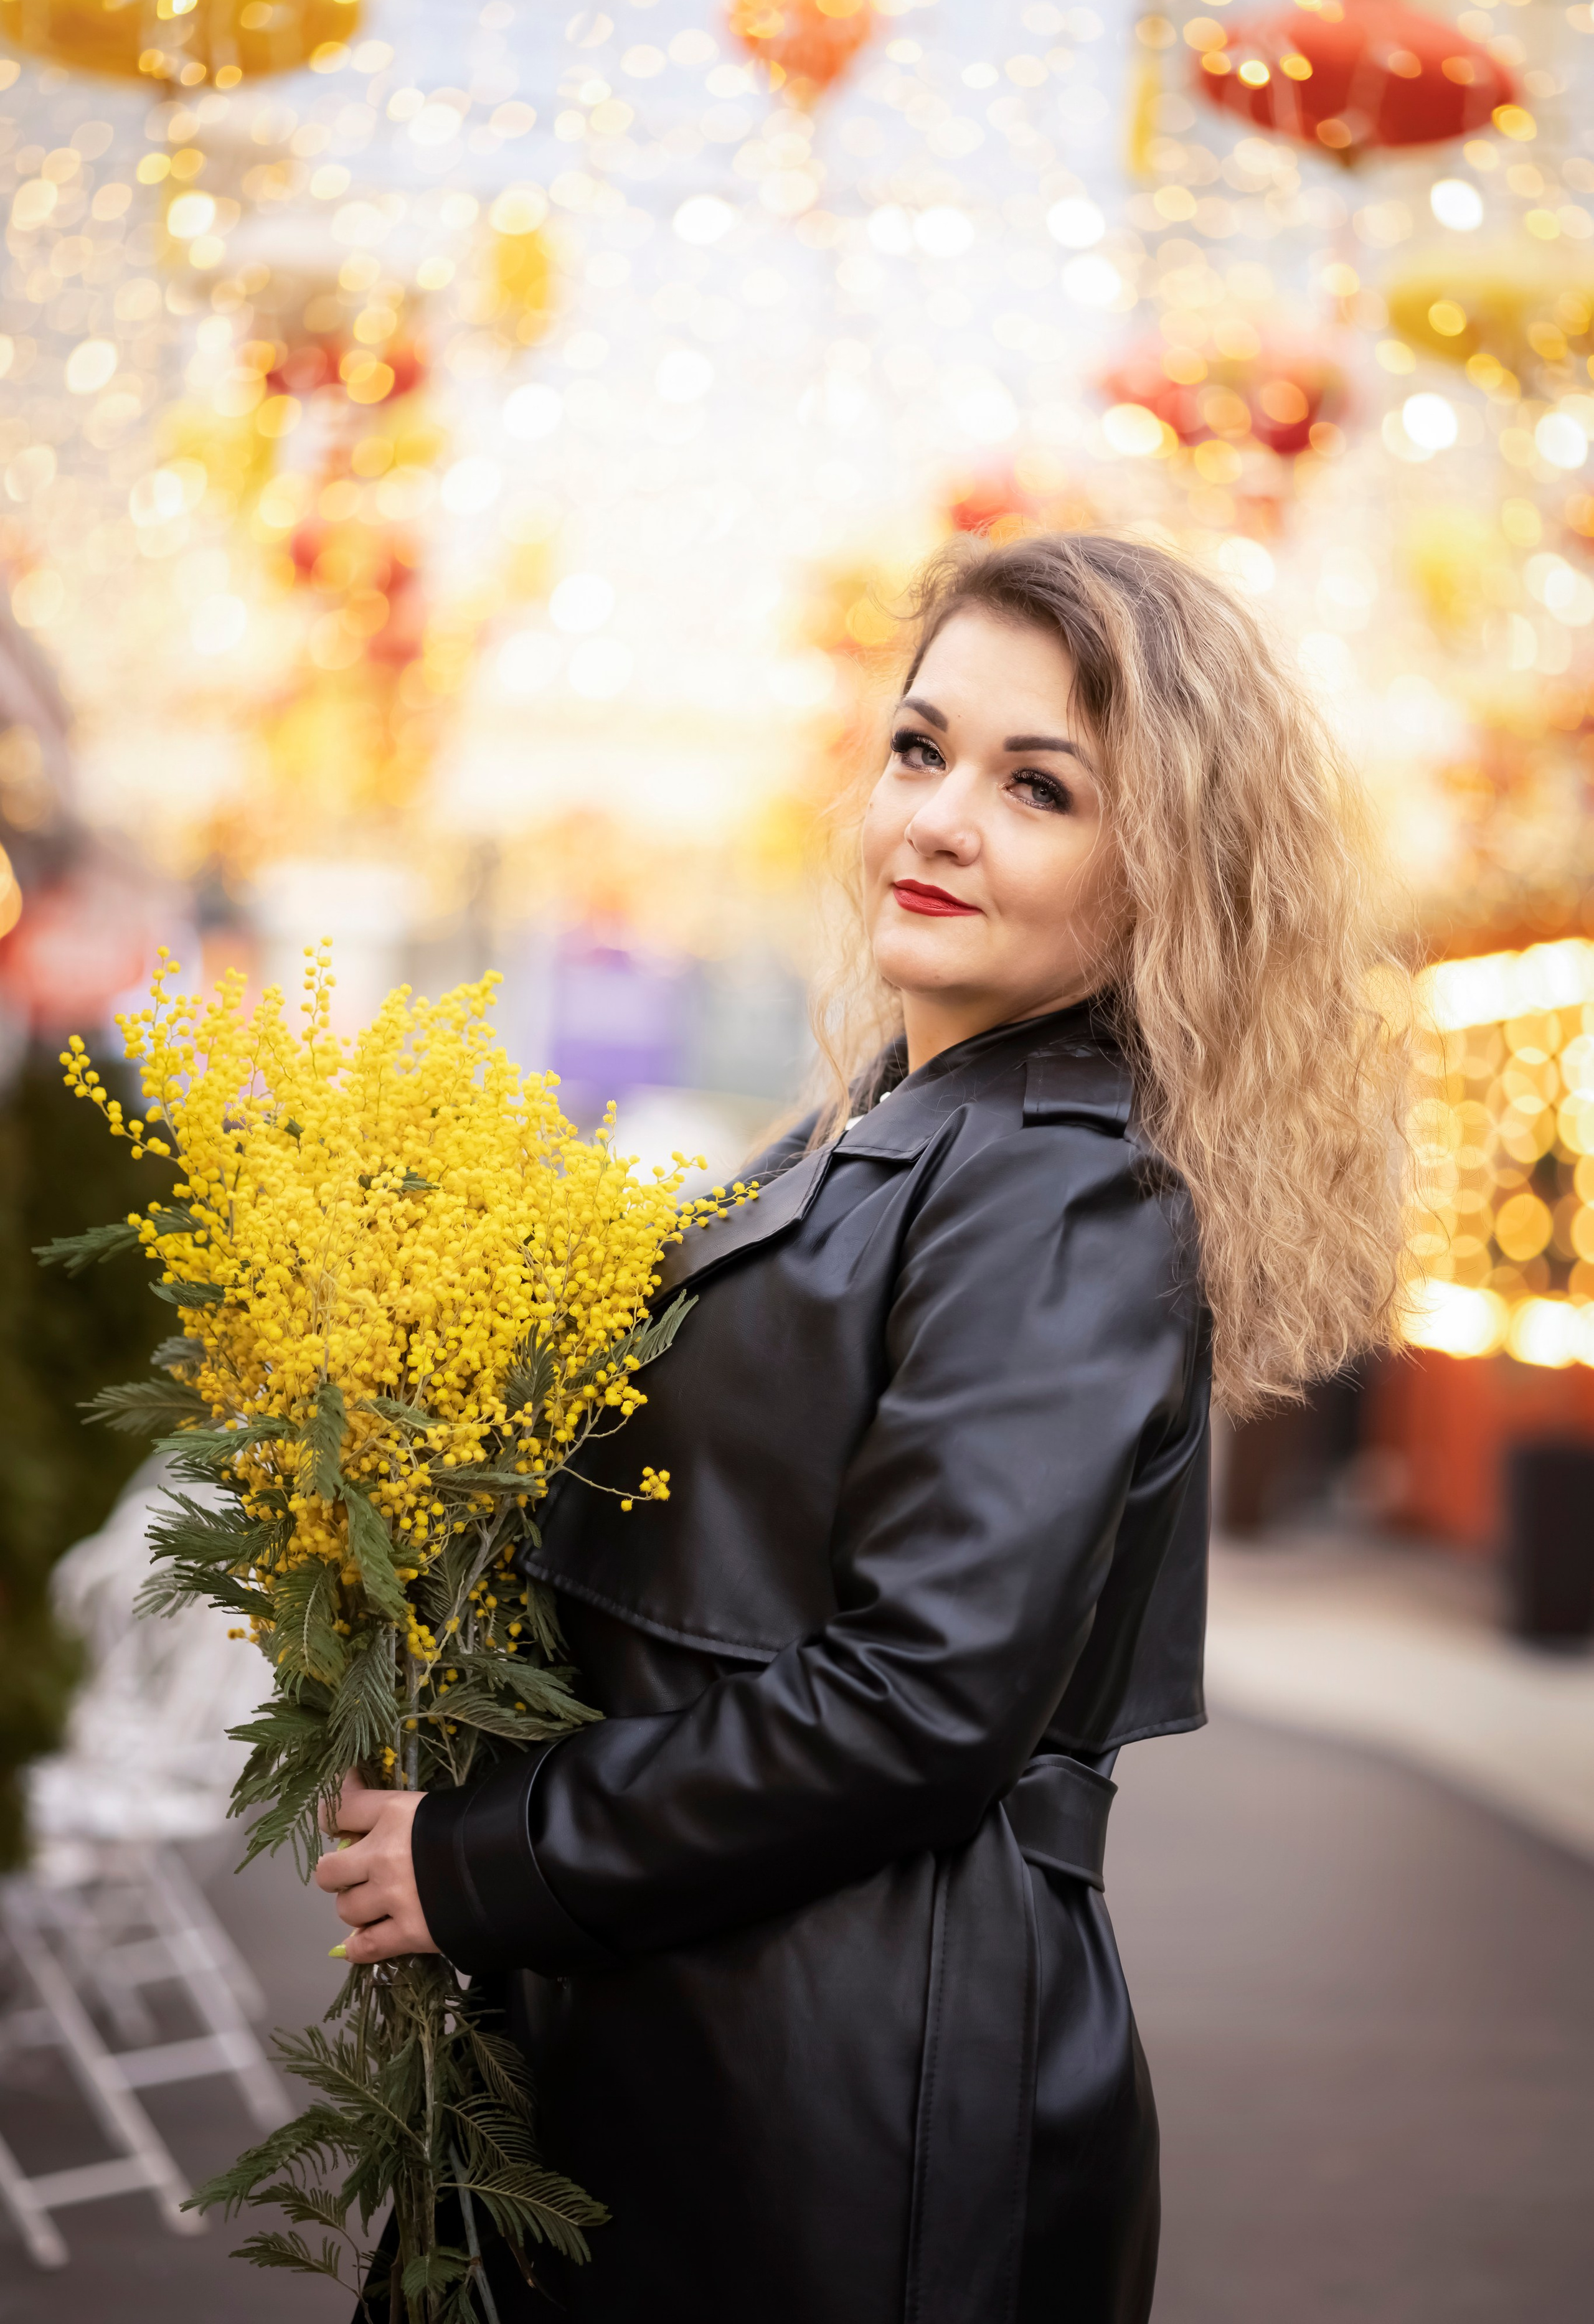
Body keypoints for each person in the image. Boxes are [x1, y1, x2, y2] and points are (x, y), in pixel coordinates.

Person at [318, 533, 1411, 2323]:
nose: (941, 818)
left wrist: (488, 1855)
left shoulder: (1062, 1189)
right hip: (699, 2003)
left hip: (835, 2069)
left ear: (1164, 875)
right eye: (923, 749)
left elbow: (925, 1694)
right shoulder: (888, 1129)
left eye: (1037, 786)